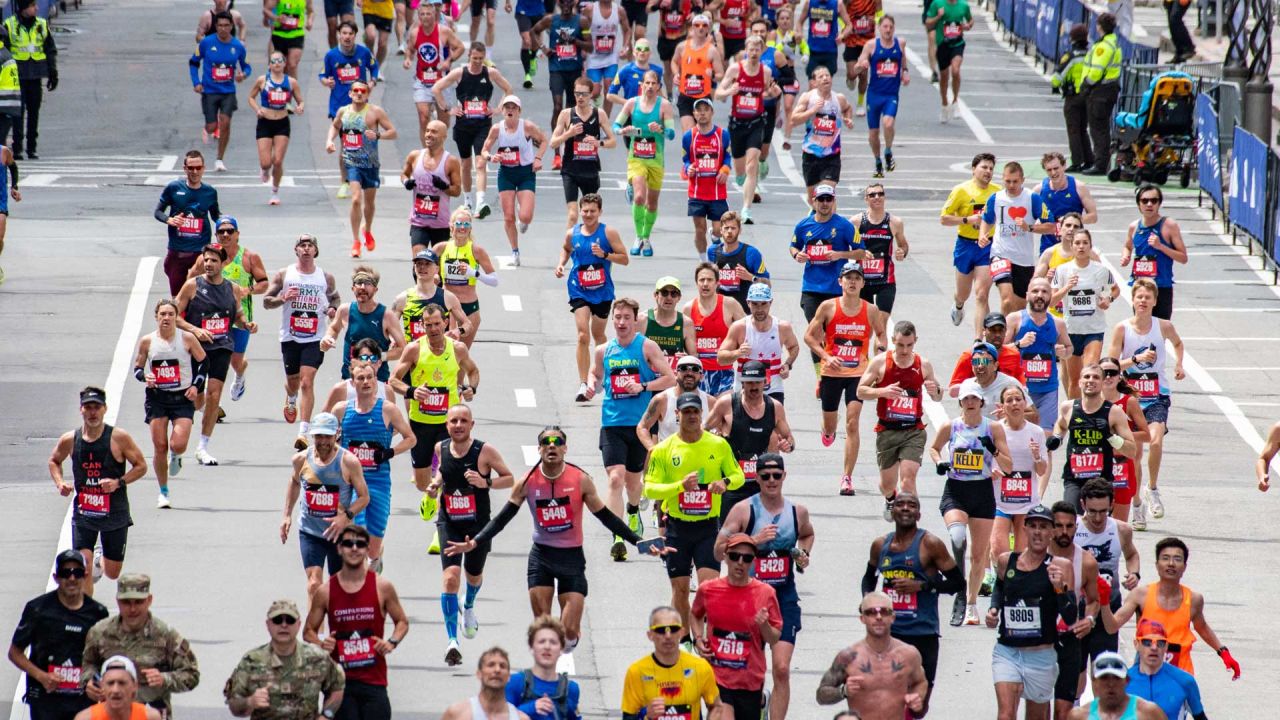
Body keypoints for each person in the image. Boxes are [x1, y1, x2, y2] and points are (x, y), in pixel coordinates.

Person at [444, 426, 655, 652]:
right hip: (541, 558)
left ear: (565, 448)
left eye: (557, 441)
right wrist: (475, 542)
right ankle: (549, 676)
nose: (551, 445)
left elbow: (605, 516)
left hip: (572, 558)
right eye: (546, 442)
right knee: (544, 630)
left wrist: (636, 541)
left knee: (568, 632)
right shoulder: (527, 482)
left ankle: (568, 641)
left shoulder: (580, 479)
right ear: (539, 449)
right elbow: (502, 518)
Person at [715, 455, 812, 719]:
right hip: (749, 600)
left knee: (781, 668)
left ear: (784, 476)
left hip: (783, 598)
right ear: (756, 478)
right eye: (766, 475)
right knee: (748, 670)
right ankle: (758, 701)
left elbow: (807, 534)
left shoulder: (797, 512)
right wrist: (752, 540)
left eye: (776, 475)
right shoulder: (744, 510)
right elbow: (717, 551)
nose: (771, 480)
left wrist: (803, 555)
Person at [644, 392, 745, 641]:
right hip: (677, 529)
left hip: (708, 527)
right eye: (686, 412)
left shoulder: (718, 445)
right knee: (679, 590)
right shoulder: (664, 450)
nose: (691, 416)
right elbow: (650, 488)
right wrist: (679, 487)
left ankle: (705, 638)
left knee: (708, 589)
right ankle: (687, 640)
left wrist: (725, 482)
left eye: (695, 412)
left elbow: (738, 475)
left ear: (702, 414)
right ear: (677, 415)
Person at [587, 298, 678, 559]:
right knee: (615, 479)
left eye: (627, 317)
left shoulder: (647, 346)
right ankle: (618, 535)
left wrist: (643, 387)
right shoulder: (604, 350)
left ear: (635, 320)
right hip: (612, 423)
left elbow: (670, 377)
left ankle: (634, 510)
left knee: (633, 482)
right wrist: (593, 383)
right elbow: (595, 373)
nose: (621, 322)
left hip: (639, 425)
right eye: (617, 317)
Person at [862, 493, 965, 713]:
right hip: (890, 634)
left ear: (918, 513)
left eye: (912, 505)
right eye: (900, 504)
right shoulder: (880, 545)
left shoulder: (930, 544)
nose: (906, 508)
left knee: (918, 706)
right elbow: (869, 577)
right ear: (893, 511)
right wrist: (867, 603)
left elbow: (958, 583)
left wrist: (923, 586)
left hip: (923, 634)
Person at [928, 378, 1014, 626]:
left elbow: (1008, 466)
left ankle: (971, 602)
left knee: (978, 556)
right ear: (960, 402)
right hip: (956, 490)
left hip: (982, 492)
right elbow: (934, 449)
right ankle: (958, 588)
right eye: (966, 399)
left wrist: (994, 451)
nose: (970, 403)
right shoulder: (951, 426)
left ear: (981, 402)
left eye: (974, 398)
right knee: (957, 538)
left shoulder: (993, 428)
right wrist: (940, 463)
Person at [303, 525, 410, 720]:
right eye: (348, 543)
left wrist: (391, 642)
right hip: (339, 685)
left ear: (367, 549)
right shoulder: (326, 591)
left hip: (374, 682)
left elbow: (402, 621)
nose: (354, 549)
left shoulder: (382, 587)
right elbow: (308, 630)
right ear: (339, 548)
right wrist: (320, 643)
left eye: (360, 544)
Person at [48, 388, 148, 596]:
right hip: (85, 513)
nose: (92, 412)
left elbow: (141, 466)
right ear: (81, 410)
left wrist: (118, 483)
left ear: (104, 409)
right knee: (83, 568)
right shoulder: (70, 439)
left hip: (114, 512)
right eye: (88, 408)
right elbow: (54, 461)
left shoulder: (118, 438)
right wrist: (60, 483)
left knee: (113, 572)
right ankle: (88, 616)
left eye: (97, 408)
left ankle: (100, 559)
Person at [985, 505, 1078, 720]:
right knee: (1006, 715)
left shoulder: (1060, 566)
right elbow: (1000, 586)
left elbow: (1071, 617)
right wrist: (994, 609)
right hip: (1007, 651)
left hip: (1041, 654)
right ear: (1024, 529)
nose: (1038, 532)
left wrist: (1059, 589)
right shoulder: (1006, 560)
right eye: (1033, 526)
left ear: (1052, 532)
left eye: (1044, 527)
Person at [1102, 537, 1240, 679]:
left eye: (1177, 559)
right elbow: (1112, 627)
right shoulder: (1140, 595)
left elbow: (1202, 627)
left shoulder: (1194, 599)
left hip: (1180, 674)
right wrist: (1104, 601)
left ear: (1185, 566)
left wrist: (1223, 652)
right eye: (1165, 558)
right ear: (1157, 565)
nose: (1171, 564)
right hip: (1147, 672)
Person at [803, 261, 887, 496]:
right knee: (831, 424)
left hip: (858, 373)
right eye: (847, 277)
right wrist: (825, 357)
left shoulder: (870, 310)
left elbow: (881, 333)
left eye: (856, 278)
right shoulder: (828, 307)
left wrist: (881, 349)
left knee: (852, 422)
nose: (852, 281)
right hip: (831, 372)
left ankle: (847, 477)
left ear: (862, 283)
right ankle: (827, 430)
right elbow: (809, 337)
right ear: (840, 281)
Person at [1107, 280, 1184, 522]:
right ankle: (1137, 504)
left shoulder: (1163, 326)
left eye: (1147, 297)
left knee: (1156, 440)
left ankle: (1152, 488)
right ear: (1132, 300)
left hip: (1157, 395)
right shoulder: (1122, 329)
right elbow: (1109, 365)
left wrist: (1179, 364)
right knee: (1135, 454)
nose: (1142, 301)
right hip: (1131, 399)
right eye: (1139, 297)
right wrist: (1135, 359)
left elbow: (1178, 343)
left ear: (1154, 301)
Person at [176, 242, 257, 467]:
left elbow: (239, 314)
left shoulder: (231, 288)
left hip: (221, 346)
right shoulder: (192, 286)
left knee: (214, 395)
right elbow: (175, 315)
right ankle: (179, 440)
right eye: (206, 260)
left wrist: (247, 324)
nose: (209, 264)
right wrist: (195, 330)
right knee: (194, 396)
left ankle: (202, 446)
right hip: (196, 348)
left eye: (214, 260)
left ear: (224, 263)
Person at [389, 302, 481, 493]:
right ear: (423, 325)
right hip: (421, 421)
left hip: (449, 422)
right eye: (428, 325)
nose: (433, 329)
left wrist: (471, 387)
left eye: (437, 324)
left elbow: (473, 371)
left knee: (449, 470)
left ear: (446, 323)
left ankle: (444, 507)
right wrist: (412, 391)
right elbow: (394, 380)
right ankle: (430, 495)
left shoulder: (458, 349)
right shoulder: (414, 349)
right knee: (422, 483)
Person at [8, 550, 110, 720]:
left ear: (85, 576)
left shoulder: (97, 613)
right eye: (65, 573)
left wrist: (98, 682)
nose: (71, 579)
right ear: (56, 577)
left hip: (83, 699)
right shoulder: (38, 609)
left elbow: (106, 656)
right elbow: (14, 652)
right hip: (45, 698)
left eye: (77, 573)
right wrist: (42, 676)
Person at [689, 533, 781, 720]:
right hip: (717, 675)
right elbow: (695, 614)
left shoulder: (765, 593)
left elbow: (774, 637)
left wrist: (764, 625)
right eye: (734, 556)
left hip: (750, 678)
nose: (740, 562)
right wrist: (698, 639)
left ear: (753, 562)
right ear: (725, 557)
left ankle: (761, 706)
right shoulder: (708, 589)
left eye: (747, 559)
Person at [81, 575, 201, 718]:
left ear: (149, 600)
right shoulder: (100, 633)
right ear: (118, 601)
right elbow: (88, 664)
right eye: (126, 602)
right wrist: (90, 682)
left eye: (138, 602)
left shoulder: (165, 635)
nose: (132, 609)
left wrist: (165, 679)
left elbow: (191, 674)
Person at [334, 366, 415, 571]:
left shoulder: (387, 409)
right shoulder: (342, 410)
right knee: (357, 532)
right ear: (353, 383)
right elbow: (326, 439)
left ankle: (375, 560)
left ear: (376, 381)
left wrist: (390, 452)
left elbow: (411, 438)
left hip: (378, 481)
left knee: (373, 545)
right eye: (360, 378)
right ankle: (361, 582)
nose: (366, 382)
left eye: (370, 377)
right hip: (351, 483)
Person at [857, 321, 942, 516]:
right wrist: (882, 391)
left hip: (913, 430)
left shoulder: (923, 364)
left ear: (915, 342)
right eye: (900, 345)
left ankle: (910, 522)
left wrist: (935, 390)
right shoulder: (880, 362)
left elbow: (938, 395)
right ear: (893, 340)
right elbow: (860, 391)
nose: (904, 350)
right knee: (887, 484)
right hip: (887, 430)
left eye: (909, 345)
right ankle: (890, 498)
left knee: (908, 478)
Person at [264, 234, 341, 450]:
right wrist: (283, 298)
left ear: (316, 251)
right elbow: (266, 302)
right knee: (294, 382)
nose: (306, 249)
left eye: (310, 246)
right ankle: (290, 397)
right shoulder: (284, 275)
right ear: (296, 250)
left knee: (307, 382)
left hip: (315, 337)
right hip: (290, 336)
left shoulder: (325, 277)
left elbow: (335, 298)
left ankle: (303, 432)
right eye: (302, 245)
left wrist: (333, 310)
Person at [281, 412, 371, 596]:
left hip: (339, 533)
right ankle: (315, 626)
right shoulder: (301, 460)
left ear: (337, 434)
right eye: (319, 436)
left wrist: (345, 517)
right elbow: (295, 482)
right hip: (310, 531)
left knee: (340, 587)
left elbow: (363, 497)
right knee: (314, 583)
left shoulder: (349, 461)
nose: (323, 441)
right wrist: (287, 515)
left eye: (327, 436)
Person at [131, 300, 206, 508]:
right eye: (162, 314)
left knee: (177, 444)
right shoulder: (147, 341)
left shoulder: (187, 338)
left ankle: (177, 456)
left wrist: (195, 386)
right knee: (160, 446)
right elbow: (137, 367)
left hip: (182, 397)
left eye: (170, 314)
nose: (166, 318)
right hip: (157, 398)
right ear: (156, 317)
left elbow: (203, 363)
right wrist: (144, 376)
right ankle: (163, 491)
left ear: (176, 317)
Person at [558, 194, 631, 401]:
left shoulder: (608, 233)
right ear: (580, 211)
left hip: (602, 291)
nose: (588, 215)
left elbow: (625, 259)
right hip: (578, 289)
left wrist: (605, 256)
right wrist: (561, 264)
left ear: (600, 212)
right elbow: (566, 249)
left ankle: (601, 375)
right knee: (583, 335)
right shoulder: (572, 234)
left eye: (593, 211)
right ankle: (583, 383)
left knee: (599, 335)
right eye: (585, 211)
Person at [224, 599, 346, 720]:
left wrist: (327, 715)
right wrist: (250, 702)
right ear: (268, 625)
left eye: (290, 620)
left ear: (298, 625)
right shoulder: (251, 661)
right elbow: (234, 705)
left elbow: (337, 688)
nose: (284, 625)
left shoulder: (317, 658)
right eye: (277, 620)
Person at [815, 592, 928, 720]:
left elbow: (920, 682)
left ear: (893, 617)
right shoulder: (848, 657)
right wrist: (844, 691)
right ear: (862, 618)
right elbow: (821, 695)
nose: (878, 617)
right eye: (871, 612)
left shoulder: (909, 654)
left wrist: (916, 697)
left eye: (885, 611)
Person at [433, 43, 515, 219]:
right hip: (463, 125)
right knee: (466, 164)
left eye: (480, 58)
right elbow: (436, 88)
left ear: (484, 57)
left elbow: (508, 89)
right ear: (469, 56)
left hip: (483, 125)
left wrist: (498, 109)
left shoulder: (490, 73)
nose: (477, 62)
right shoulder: (459, 73)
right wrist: (448, 109)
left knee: (481, 162)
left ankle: (481, 203)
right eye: (474, 58)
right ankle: (468, 200)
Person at [192, 219, 267, 409]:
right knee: (210, 359)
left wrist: (247, 290)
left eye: (229, 231)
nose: (225, 235)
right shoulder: (207, 258)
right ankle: (211, 404)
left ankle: (240, 375)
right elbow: (191, 277)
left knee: (235, 360)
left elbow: (264, 283)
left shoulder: (249, 257)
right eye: (221, 231)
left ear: (237, 234)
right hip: (212, 319)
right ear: (216, 234)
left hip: (239, 317)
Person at [790, 185, 864, 377]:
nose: (824, 204)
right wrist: (797, 255)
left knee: (834, 334)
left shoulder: (844, 225)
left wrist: (840, 254)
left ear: (833, 201)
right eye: (821, 199)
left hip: (835, 289)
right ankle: (820, 375)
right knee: (815, 334)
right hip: (811, 288)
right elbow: (793, 245)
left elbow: (861, 251)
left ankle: (837, 369)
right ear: (813, 201)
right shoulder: (803, 225)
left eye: (828, 200)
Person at [705, 365, 796, 513]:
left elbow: (790, 439)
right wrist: (715, 437)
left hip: (759, 482)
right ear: (742, 383)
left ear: (765, 382)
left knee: (759, 531)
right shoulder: (726, 404)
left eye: (757, 382)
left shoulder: (774, 407)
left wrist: (788, 445)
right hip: (730, 480)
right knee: (727, 531)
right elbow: (703, 431)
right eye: (749, 382)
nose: (753, 387)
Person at [1048, 364, 1137, 510]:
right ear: (1079, 382)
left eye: (1096, 377)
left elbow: (1131, 451)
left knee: (1097, 524)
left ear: (1102, 383)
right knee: (1071, 518)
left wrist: (1110, 436)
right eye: (1086, 377)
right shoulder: (1068, 407)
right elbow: (1062, 425)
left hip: (1101, 480)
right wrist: (1057, 438)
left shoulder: (1114, 412)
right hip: (1074, 478)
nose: (1091, 380)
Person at [326, 81, 398, 257]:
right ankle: (356, 240)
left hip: (371, 163)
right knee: (356, 199)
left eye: (362, 91)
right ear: (350, 94)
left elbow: (393, 132)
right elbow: (335, 126)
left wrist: (378, 135)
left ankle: (368, 229)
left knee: (369, 203)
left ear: (367, 94)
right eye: (355, 91)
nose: (359, 93)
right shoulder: (343, 111)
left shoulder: (375, 112)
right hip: (352, 162)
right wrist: (329, 140)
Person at [714, 35, 778, 224]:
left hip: (756, 122)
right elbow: (718, 93)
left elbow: (767, 90)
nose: (753, 53)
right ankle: (741, 179)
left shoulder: (765, 71)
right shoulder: (735, 69)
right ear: (746, 50)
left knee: (752, 166)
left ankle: (746, 209)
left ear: (761, 51)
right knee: (741, 172)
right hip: (737, 123)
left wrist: (772, 92)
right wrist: (729, 91)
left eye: (757, 49)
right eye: (750, 49)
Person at [1076, 479, 1141, 659]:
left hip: (1108, 605)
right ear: (1083, 504)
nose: (1097, 518)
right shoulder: (1072, 528)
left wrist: (1134, 573)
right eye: (1092, 512)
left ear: (1112, 504)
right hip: (1078, 606)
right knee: (1075, 672)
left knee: (1105, 668)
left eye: (1104, 512)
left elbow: (1131, 555)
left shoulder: (1121, 529)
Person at [613, 70, 676, 256]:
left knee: (652, 203)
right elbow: (616, 126)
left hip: (656, 159)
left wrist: (661, 129)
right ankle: (638, 236)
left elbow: (672, 134)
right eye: (646, 83)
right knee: (639, 197)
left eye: (653, 83)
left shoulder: (664, 106)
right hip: (636, 158)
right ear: (642, 85)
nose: (649, 86)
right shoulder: (632, 103)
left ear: (658, 86)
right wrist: (624, 130)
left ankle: (646, 237)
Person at [620, 606, 722, 719]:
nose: (668, 636)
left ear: (681, 632)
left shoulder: (700, 667)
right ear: (650, 635)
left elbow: (716, 707)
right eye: (661, 630)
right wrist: (647, 717)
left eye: (673, 629)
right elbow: (628, 716)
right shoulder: (636, 672)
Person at [980, 162, 1056, 314]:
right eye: (1008, 181)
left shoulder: (1032, 198)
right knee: (1007, 299)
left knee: (1019, 308)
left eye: (1015, 181)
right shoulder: (996, 198)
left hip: (1023, 259)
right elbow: (987, 219)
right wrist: (982, 234)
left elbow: (1051, 226)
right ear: (1003, 179)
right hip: (1000, 254)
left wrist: (1029, 228)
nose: (1011, 185)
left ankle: (1012, 331)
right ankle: (1003, 336)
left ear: (1022, 180)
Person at [1050, 229, 1117, 395]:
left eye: (1085, 243)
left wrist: (1108, 300)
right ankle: (1074, 415)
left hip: (1094, 330)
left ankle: (1091, 413)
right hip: (1071, 331)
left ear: (1090, 246)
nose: (1081, 247)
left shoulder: (1101, 270)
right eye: (1077, 243)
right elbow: (1051, 301)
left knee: (1089, 373)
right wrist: (1067, 287)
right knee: (1075, 381)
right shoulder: (1062, 270)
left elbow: (1115, 289)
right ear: (1072, 246)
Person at [480, 95, 546, 260]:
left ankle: (522, 214)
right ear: (502, 110)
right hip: (506, 173)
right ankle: (515, 251)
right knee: (508, 217)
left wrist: (538, 158)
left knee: (525, 217)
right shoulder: (497, 129)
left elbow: (544, 141)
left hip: (525, 173)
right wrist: (490, 157)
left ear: (519, 111)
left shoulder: (527, 127)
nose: (510, 110)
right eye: (507, 107)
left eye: (513, 107)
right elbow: (484, 149)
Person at [941, 153, 1000, 333]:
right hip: (965, 245)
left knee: (982, 294)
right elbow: (944, 218)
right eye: (984, 167)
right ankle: (958, 305)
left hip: (987, 246)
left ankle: (980, 339)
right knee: (963, 293)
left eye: (991, 168)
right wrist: (967, 220)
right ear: (974, 169)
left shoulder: (998, 192)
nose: (988, 171)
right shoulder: (961, 190)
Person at [319, 22, 378, 200]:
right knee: (347, 145)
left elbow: (374, 68)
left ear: (355, 35)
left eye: (350, 33)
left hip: (362, 107)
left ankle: (363, 177)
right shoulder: (331, 55)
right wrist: (326, 82)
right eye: (344, 33)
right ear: (338, 34)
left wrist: (373, 81)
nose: (347, 37)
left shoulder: (364, 53)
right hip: (339, 106)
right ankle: (345, 182)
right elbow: (323, 75)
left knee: (364, 143)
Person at [550, 77, 617, 227]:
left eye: (584, 94)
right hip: (570, 170)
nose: (580, 97)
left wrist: (598, 142)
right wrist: (569, 133)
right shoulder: (566, 114)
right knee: (573, 215)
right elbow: (552, 142)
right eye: (577, 93)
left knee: (591, 215)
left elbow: (613, 142)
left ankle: (589, 247)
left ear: (591, 95)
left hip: (590, 171)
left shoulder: (599, 114)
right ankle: (568, 248)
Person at [1005, 278, 1069, 432]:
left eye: (1044, 292)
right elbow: (1000, 351)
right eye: (1035, 291)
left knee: (1045, 437)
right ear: (1027, 295)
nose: (1039, 295)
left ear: (1050, 296)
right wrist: (1019, 344)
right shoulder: (1014, 319)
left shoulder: (1058, 323)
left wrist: (1064, 351)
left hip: (1048, 389)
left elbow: (1069, 347)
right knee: (1018, 433)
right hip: (1020, 390)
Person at [716, 283, 798, 403]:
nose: (759, 309)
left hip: (773, 390)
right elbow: (720, 358)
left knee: (775, 421)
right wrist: (738, 353)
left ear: (771, 302)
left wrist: (787, 364)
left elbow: (794, 346)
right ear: (748, 303)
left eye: (764, 304)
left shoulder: (782, 327)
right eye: (755, 304)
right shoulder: (739, 327)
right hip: (743, 391)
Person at [530, 0, 589, 169]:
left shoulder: (581, 21)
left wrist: (574, 41)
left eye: (569, 2)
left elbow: (590, 46)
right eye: (562, 1)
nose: (565, 4)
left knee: (571, 111)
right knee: (557, 107)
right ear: (558, 3)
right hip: (556, 69)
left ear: (573, 3)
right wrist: (543, 48)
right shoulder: (551, 20)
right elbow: (534, 31)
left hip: (574, 69)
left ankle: (568, 151)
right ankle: (557, 155)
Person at [321, 266, 404, 383]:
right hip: (349, 380)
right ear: (353, 288)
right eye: (359, 283)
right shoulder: (345, 310)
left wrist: (380, 356)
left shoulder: (386, 315)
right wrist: (328, 338)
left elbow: (402, 349)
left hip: (378, 381)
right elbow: (334, 328)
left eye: (368, 283)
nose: (363, 287)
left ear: (375, 289)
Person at [155, 151, 222, 297]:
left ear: (203, 168)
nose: (195, 172)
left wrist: (226, 228)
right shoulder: (174, 188)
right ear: (185, 169)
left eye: (198, 167)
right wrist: (169, 220)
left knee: (201, 298)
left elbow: (216, 217)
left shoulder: (210, 192)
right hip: (177, 252)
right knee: (177, 299)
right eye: (191, 168)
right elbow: (158, 212)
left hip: (200, 254)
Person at [190, 13, 251, 172]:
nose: (223, 29)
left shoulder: (237, 46)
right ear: (216, 27)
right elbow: (193, 62)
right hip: (209, 91)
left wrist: (243, 75)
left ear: (231, 27)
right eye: (220, 25)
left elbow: (247, 66)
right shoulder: (206, 43)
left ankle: (219, 158)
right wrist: (196, 83)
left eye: (226, 25)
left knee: (226, 122)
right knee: (212, 126)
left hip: (228, 91)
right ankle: (208, 128)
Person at [432, 208, 497, 348]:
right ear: (451, 226)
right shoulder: (441, 248)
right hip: (446, 307)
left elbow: (494, 280)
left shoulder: (476, 250)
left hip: (469, 307)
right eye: (459, 224)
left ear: (470, 228)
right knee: (442, 352)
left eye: (466, 224)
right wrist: (434, 276)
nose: (462, 228)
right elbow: (421, 267)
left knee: (461, 355)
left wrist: (473, 273)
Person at [1120, 184, 1187, 320]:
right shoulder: (1134, 227)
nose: (1149, 204)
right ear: (1139, 204)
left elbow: (1183, 258)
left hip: (1161, 287)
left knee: (1160, 329)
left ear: (1159, 203)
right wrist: (1125, 256)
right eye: (1145, 201)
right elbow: (1127, 246)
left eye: (1154, 201)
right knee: (1140, 327)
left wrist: (1161, 246)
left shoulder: (1169, 225)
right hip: (1140, 287)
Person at [851, 16, 906, 177]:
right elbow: (856, 68)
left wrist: (906, 72)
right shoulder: (871, 46)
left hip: (891, 95)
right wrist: (862, 66)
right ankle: (877, 161)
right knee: (873, 133)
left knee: (888, 123)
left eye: (890, 27)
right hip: (874, 95)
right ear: (879, 28)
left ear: (894, 28)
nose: (888, 30)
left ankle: (888, 151)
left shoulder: (900, 44)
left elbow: (903, 59)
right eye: (885, 27)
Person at [247, 52, 304, 206]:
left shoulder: (291, 82)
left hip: (282, 122)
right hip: (265, 121)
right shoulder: (262, 80)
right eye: (274, 61)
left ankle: (274, 191)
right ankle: (265, 170)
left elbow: (300, 101)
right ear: (269, 64)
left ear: (285, 63)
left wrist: (299, 108)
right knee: (266, 162)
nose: (277, 63)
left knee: (278, 161)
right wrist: (257, 109)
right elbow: (251, 97)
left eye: (280, 61)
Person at [994, 385, 1046, 552]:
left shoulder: (1036, 432)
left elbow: (1041, 470)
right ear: (1002, 406)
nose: (1015, 403)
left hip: (1026, 501)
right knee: (998, 550)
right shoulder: (994, 430)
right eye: (1009, 400)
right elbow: (985, 462)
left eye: (1018, 399)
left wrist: (1037, 456)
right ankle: (996, 576)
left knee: (1021, 552)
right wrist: (991, 471)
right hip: (999, 501)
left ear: (1025, 403)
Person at [4, 0, 57, 161]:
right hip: (17, 75)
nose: (37, 8)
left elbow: (50, 49)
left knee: (34, 112)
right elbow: (4, 49)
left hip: (35, 75)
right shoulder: (10, 24)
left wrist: (52, 72)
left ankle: (32, 147)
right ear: (24, 9)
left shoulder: (41, 24)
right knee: (17, 114)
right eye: (33, 6)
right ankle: (18, 148)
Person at [1125, 619, 1208, 720]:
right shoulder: (1122, 682)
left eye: (1160, 643)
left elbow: (1201, 717)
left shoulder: (1184, 681)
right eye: (1147, 642)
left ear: (1166, 646)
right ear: (1136, 644)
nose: (1154, 647)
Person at [1099, 356, 1148, 523]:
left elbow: (1146, 434)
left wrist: (1119, 437)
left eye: (1112, 373)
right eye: (1104, 373)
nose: (1108, 377)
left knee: (1119, 526)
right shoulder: (1088, 401)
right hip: (1095, 464)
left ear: (1120, 376)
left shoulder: (1129, 401)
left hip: (1121, 466)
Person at [791, 65, 854, 197]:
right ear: (814, 82)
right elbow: (794, 119)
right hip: (811, 153)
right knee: (813, 198)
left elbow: (848, 108)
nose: (825, 78)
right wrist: (812, 111)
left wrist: (848, 119)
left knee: (826, 193)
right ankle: (814, 212)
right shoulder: (808, 98)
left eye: (827, 75)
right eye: (821, 76)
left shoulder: (839, 98)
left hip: (832, 154)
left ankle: (827, 215)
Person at [681, 98, 732, 259]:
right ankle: (704, 260)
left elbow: (728, 158)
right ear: (694, 114)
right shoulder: (689, 136)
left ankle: (715, 237)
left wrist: (725, 169)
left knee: (719, 229)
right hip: (696, 192)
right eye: (699, 110)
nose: (702, 113)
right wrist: (688, 168)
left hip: (717, 192)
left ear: (712, 112)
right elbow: (685, 160)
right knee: (699, 228)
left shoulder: (722, 135)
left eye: (706, 109)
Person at [404, 3, 464, 140]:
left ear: (434, 15)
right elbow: (410, 49)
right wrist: (408, 59)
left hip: (442, 82)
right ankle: (427, 153)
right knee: (423, 117)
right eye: (422, 14)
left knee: (444, 124)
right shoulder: (414, 33)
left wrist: (448, 61)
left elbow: (460, 47)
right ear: (418, 16)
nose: (425, 17)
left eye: (428, 14)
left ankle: (438, 147)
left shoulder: (444, 31)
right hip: (422, 81)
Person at [403, 121, 464, 256]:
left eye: (434, 132)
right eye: (427, 131)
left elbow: (457, 190)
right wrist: (407, 182)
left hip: (441, 224)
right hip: (419, 221)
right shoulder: (415, 156)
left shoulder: (451, 161)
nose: (429, 135)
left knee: (440, 269)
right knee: (420, 261)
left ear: (444, 137)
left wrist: (444, 186)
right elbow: (404, 174)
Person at [686, 262, 746, 397]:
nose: (705, 284)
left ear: (717, 283)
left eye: (709, 280)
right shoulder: (689, 308)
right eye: (701, 280)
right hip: (697, 374)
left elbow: (749, 330)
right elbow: (682, 342)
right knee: (699, 416)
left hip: (724, 372)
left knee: (725, 415)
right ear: (696, 283)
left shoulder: (729, 304)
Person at [505, 617, 581, 719]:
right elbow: (502, 716)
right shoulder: (515, 682)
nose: (547, 647)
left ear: (561, 648)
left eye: (553, 642)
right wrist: (531, 708)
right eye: (541, 641)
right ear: (531, 647)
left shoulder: (570, 689)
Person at [392, 250, 472, 346]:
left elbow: (467, 324)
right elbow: (389, 326)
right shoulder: (402, 299)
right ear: (414, 267)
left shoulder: (448, 298)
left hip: (441, 356)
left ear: (437, 269)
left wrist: (458, 331)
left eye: (427, 264)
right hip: (414, 357)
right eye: (419, 263)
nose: (422, 267)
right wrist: (393, 339)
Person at [851, 182, 908, 315]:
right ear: (866, 199)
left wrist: (902, 252)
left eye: (880, 194)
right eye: (872, 195)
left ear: (884, 197)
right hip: (862, 281)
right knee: (867, 325)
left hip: (886, 281)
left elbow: (903, 245)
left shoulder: (895, 222)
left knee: (881, 326)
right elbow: (847, 248)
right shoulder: (856, 222)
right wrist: (860, 254)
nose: (877, 197)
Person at [639, 354, 712, 450]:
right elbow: (642, 427)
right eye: (684, 368)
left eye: (695, 369)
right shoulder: (662, 399)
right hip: (670, 458)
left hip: (701, 457)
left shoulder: (711, 402)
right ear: (675, 373)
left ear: (701, 376)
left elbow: (721, 429)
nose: (689, 373)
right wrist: (652, 449)